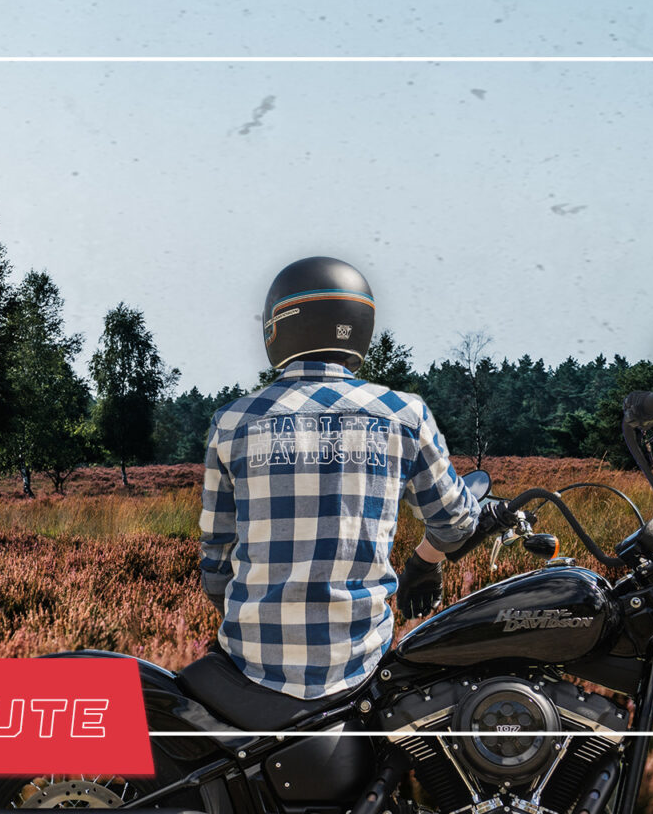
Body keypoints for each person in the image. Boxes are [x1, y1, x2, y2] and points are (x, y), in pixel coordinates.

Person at [196, 256, 513, 701]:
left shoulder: (233, 422)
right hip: (362, 665)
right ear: (359, 325)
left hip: (251, 665)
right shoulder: (405, 414)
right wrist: (424, 563)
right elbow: (458, 522)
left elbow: (216, 557)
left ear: (279, 325)